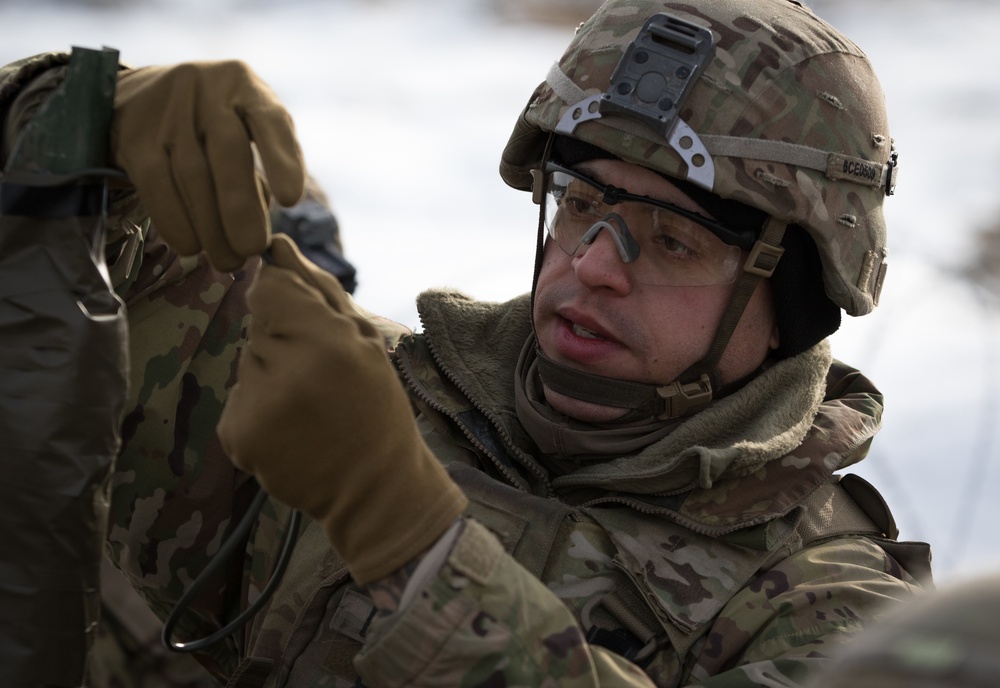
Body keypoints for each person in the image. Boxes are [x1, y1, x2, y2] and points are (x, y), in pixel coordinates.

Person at [0, 0, 933, 686]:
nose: (595, 267)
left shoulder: (841, 619)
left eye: (674, 239)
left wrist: (411, 542)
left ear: (799, 295)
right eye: (582, 206)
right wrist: (79, 127)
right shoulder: (349, 393)